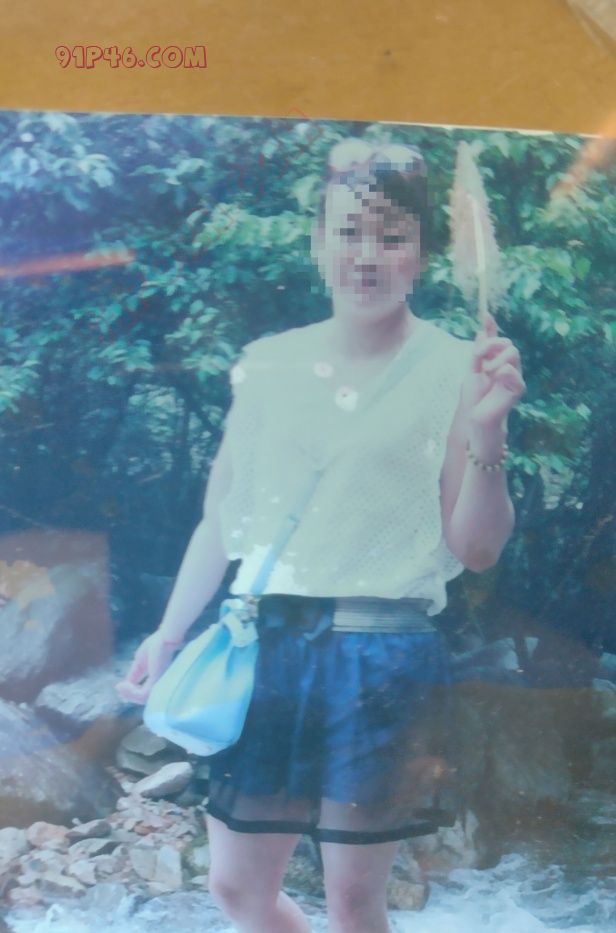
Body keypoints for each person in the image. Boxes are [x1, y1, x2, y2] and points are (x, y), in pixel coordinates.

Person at [116, 137, 525, 933]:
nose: (365, 256)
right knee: (236, 888)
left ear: (421, 255)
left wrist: (490, 430)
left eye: (391, 237)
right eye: (347, 232)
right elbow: (222, 517)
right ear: (317, 243)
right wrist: (167, 633)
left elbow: (477, 549)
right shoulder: (268, 364)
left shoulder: (458, 368)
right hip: (265, 648)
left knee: (354, 900)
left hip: (381, 657)